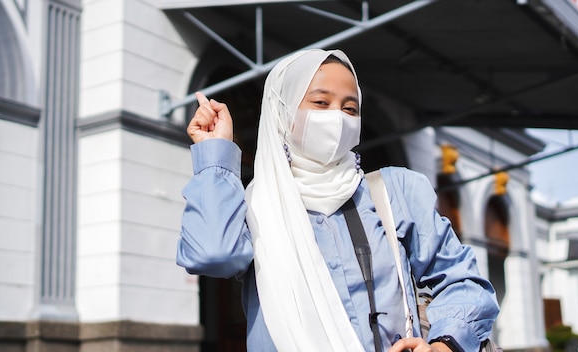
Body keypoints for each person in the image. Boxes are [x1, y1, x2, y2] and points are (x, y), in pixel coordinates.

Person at [177, 49, 499, 352]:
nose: (337, 118)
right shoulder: (256, 208)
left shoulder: (396, 191)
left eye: (350, 108)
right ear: (284, 112)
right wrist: (216, 154)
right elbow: (212, 255)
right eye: (320, 102)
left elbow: (463, 280)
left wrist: (444, 344)